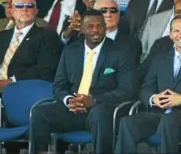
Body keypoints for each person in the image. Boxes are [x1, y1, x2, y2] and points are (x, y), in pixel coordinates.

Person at [30, 10, 137, 154]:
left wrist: (93, 100)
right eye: (90, 26)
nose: (95, 30)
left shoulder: (121, 52)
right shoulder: (70, 50)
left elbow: (126, 90)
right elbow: (59, 85)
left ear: (105, 27)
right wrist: (69, 100)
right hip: (72, 110)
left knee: (100, 114)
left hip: (102, 109)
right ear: (81, 29)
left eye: (100, 26)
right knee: (39, 113)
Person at [115, 15, 181, 153]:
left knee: (169, 121)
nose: (180, 35)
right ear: (170, 35)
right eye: (176, 31)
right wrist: (153, 98)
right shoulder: (161, 58)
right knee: (128, 123)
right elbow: (146, 87)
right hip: (159, 113)